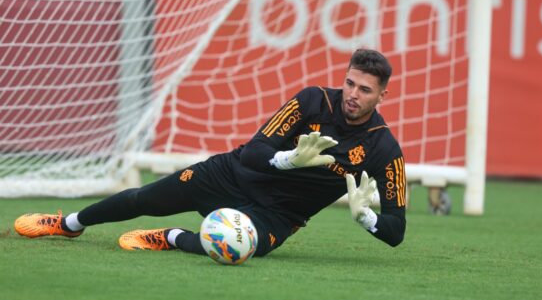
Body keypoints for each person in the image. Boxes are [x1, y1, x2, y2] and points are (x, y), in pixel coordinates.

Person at [14, 49, 407, 257]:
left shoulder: (384, 148)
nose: (352, 95)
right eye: (350, 83)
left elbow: (396, 231)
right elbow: (256, 151)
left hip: (278, 214)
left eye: (365, 90)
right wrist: (288, 160)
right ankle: (68, 224)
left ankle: (170, 238)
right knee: (145, 197)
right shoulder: (312, 100)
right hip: (235, 173)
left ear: (382, 94)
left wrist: (366, 218)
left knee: (237, 249)